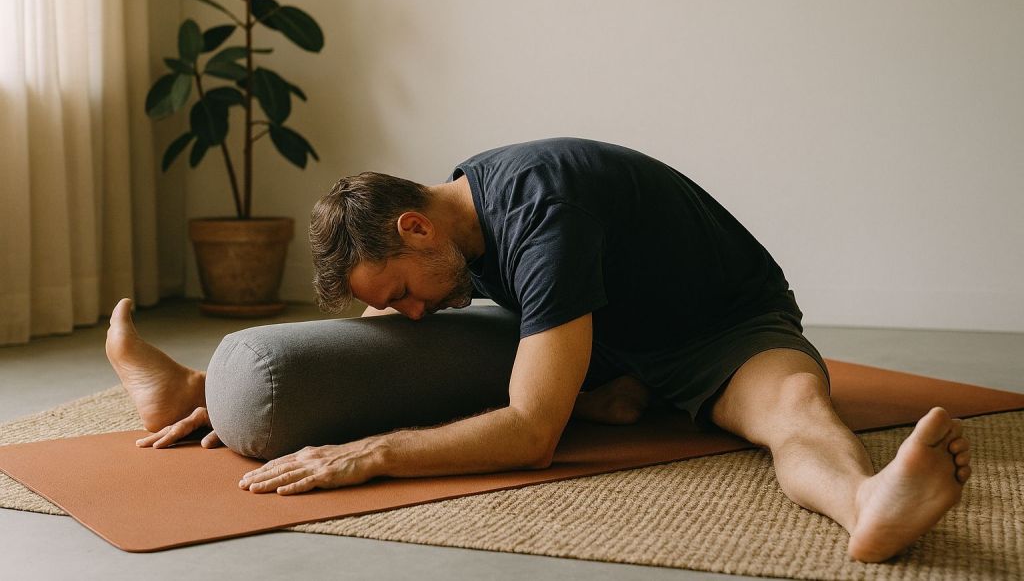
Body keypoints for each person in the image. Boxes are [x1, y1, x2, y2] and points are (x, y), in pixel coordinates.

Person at [105, 137, 971, 563]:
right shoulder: (460, 217)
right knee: (444, 364)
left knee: (792, 413)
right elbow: (389, 336)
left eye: (400, 291)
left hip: (718, 330)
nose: (408, 314)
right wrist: (243, 397)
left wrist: (371, 455)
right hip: (603, 333)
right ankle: (192, 388)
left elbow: (530, 435)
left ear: (415, 227)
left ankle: (866, 504)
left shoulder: (542, 214)